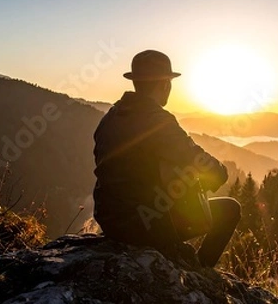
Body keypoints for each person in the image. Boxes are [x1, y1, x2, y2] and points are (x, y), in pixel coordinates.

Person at [92, 50, 241, 267]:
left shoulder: (109, 117)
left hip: (109, 221)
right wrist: (217, 175)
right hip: (146, 225)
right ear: (164, 84)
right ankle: (200, 272)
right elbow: (201, 162)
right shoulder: (158, 121)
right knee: (230, 210)